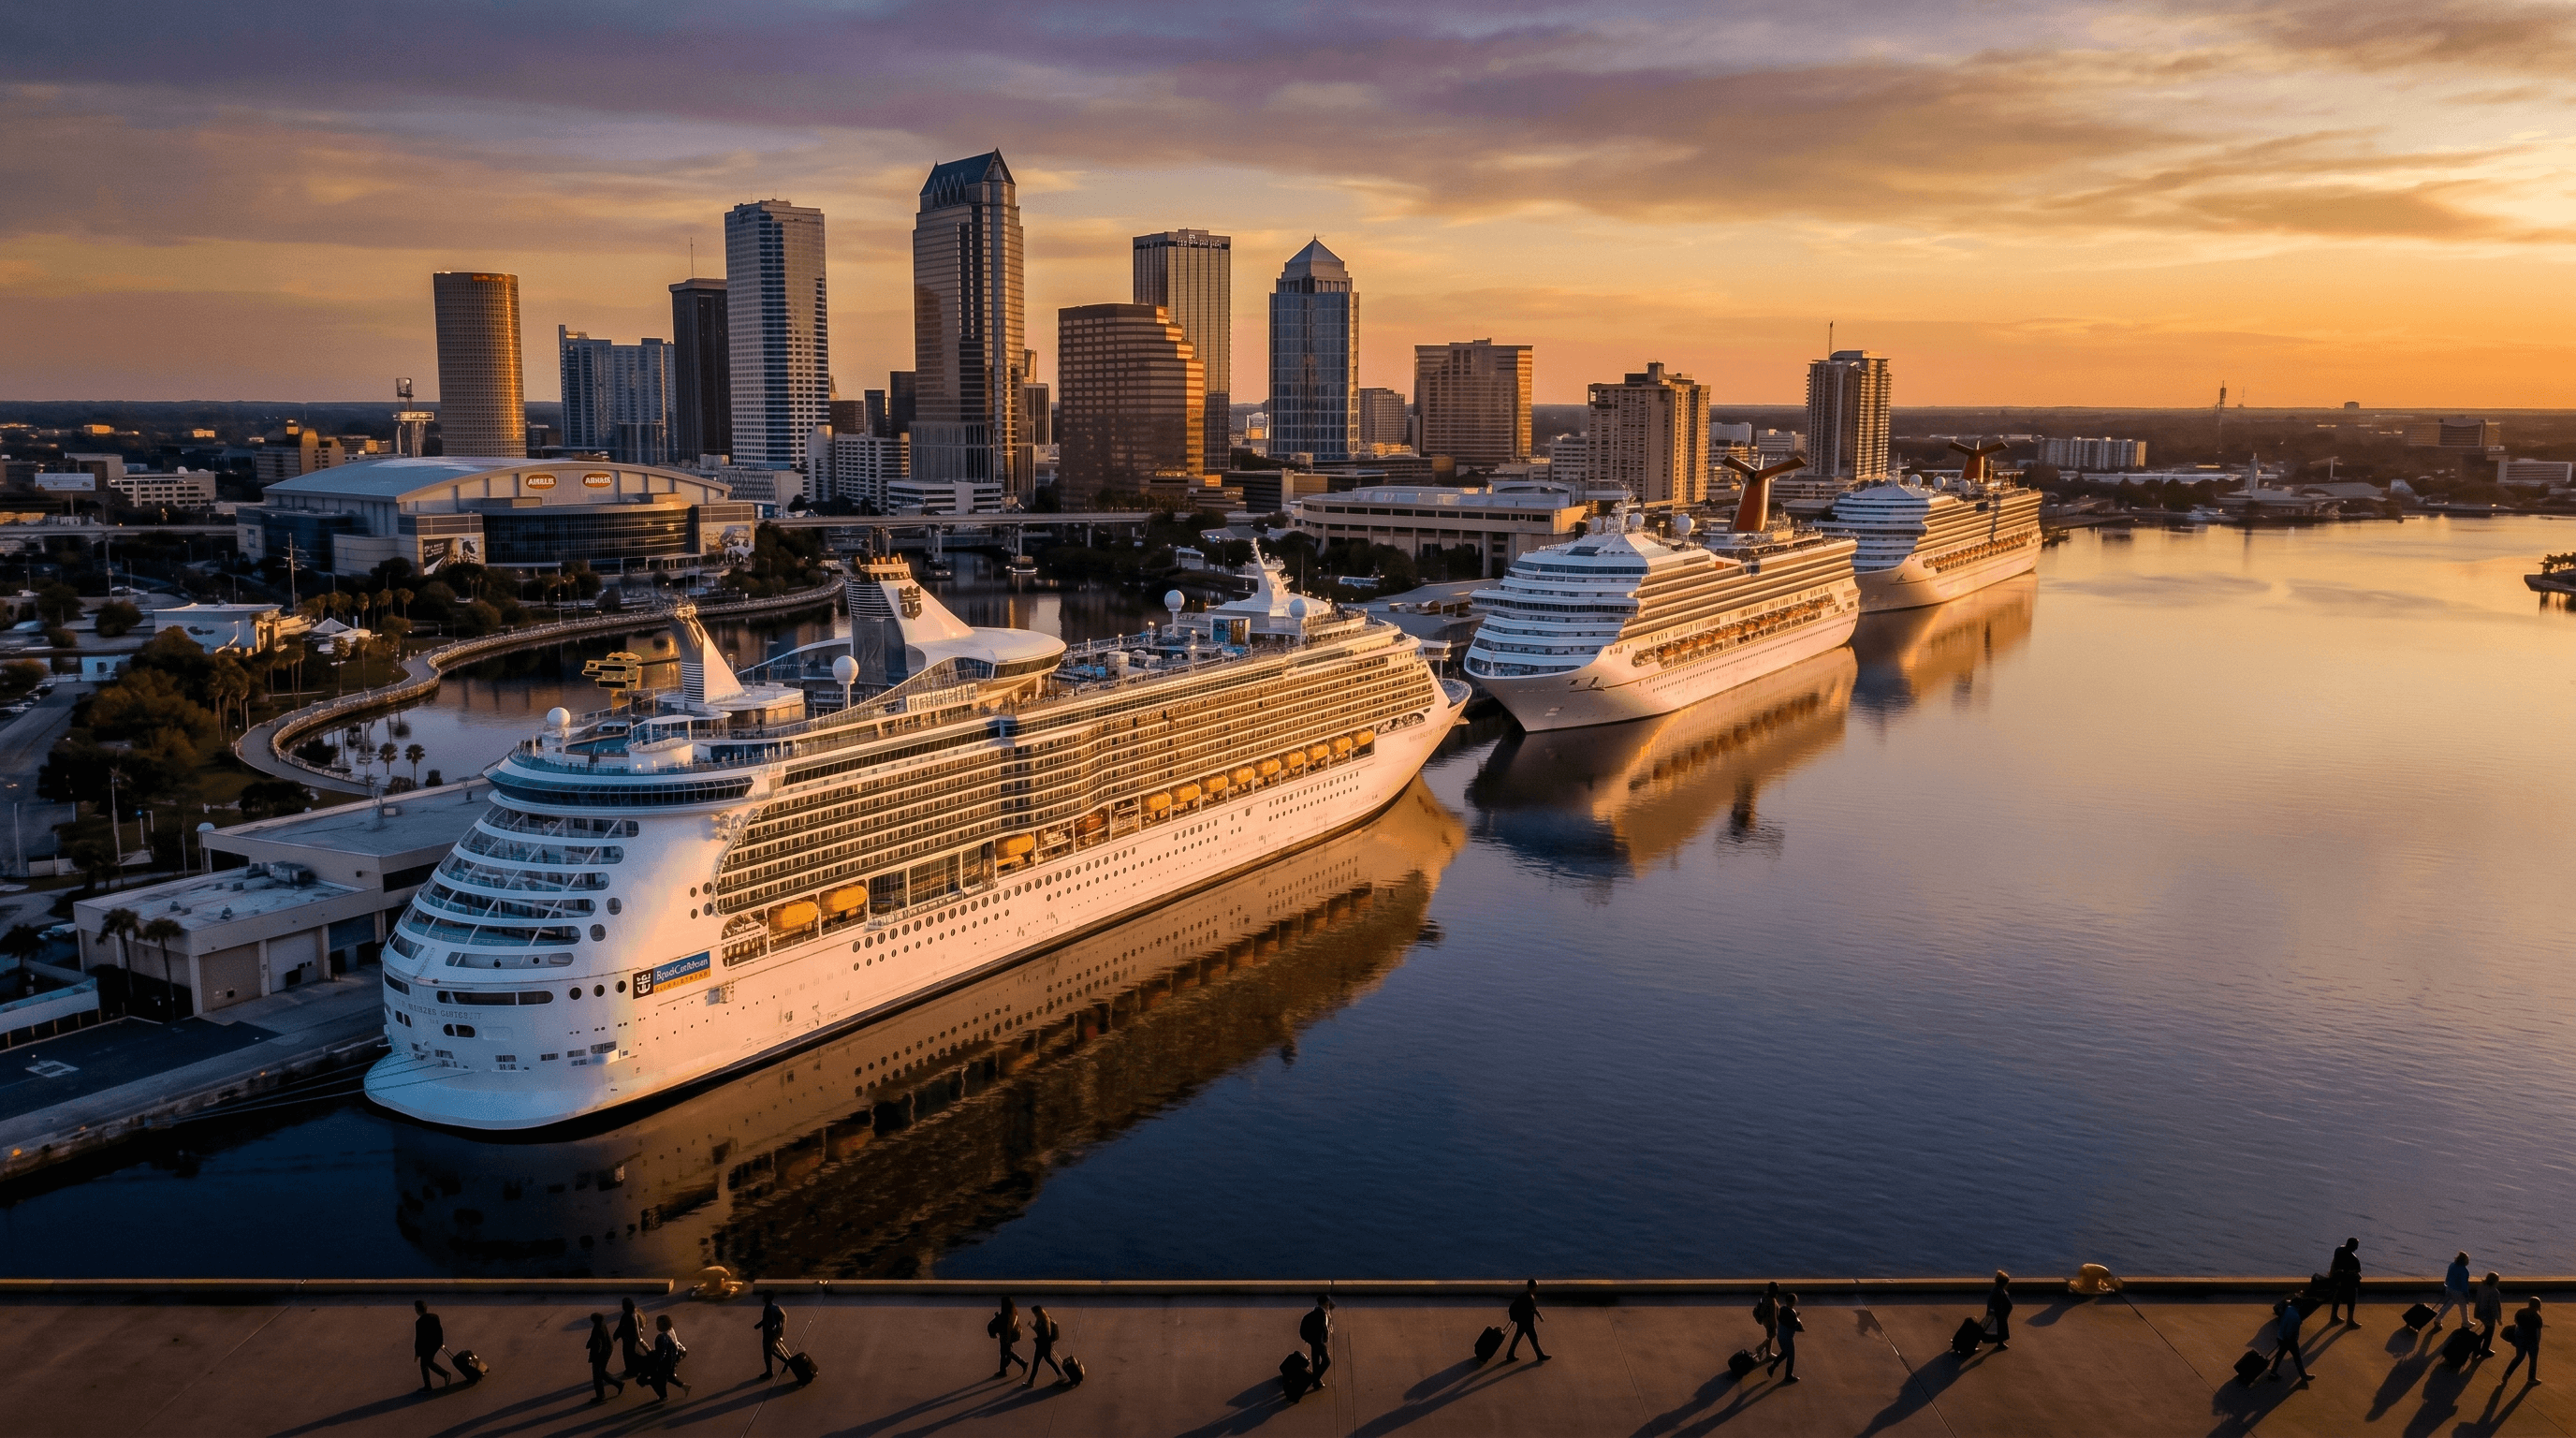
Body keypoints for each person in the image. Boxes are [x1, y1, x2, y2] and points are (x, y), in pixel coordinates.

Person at [647, 1314, 692, 1401]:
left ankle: (663, 1397)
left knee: (659, 1379)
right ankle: (685, 1387)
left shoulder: (663, 1337)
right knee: (669, 1377)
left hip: (667, 1361)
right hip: (673, 1359)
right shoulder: (671, 1331)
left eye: (658, 1323)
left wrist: (656, 1364)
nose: (656, 1325)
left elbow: (662, 1353)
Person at [2267, 1296, 2311, 1384]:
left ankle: (2273, 1373)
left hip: (2281, 1336)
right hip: (2289, 1341)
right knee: (2297, 1357)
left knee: (2279, 1356)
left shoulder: (2289, 1309)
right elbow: (2290, 1332)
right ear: (2299, 1305)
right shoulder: (2296, 1317)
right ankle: (2303, 1375)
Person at [1504, 1279, 1549, 1362]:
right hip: (1526, 1323)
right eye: (1535, 1287)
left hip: (1523, 1322)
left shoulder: (1525, 1295)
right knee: (1533, 1338)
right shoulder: (1528, 1297)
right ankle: (1540, 1355)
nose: (1536, 1289)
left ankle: (1510, 1355)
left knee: (1520, 1338)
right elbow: (1533, 1309)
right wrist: (1540, 1317)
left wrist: (1539, 1317)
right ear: (1531, 1288)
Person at [2500, 1299, 2543, 1385]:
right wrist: (2538, 1343)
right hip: (2532, 1341)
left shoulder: (2520, 1311)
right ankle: (2531, 1378)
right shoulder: (2538, 1317)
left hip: (2520, 1338)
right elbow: (2538, 1332)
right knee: (2533, 1360)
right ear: (2538, 1306)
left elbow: (2516, 1321)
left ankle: (2507, 1374)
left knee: (2519, 1358)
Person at [413, 1300, 452, 1392]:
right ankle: (429, 1385)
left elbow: (419, 1339)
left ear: (417, 1310)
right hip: (436, 1344)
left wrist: (417, 1353)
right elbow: (439, 1330)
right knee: (428, 1363)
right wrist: (440, 1342)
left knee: (425, 1364)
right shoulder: (435, 1316)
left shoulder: (419, 1322)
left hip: (427, 1347)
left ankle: (442, 1376)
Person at [586, 1313, 624, 1402]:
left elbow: (597, 1344)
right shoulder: (602, 1324)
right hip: (607, 1351)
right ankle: (619, 1383)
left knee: (597, 1376)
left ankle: (601, 1396)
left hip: (600, 1355)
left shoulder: (597, 1328)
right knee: (602, 1373)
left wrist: (594, 1357)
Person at [1025, 1304, 1066, 1387]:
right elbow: (1038, 1331)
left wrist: (1037, 1339)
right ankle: (1060, 1375)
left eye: (1034, 1313)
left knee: (1036, 1363)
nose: (1034, 1315)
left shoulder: (1044, 1320)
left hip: (1043, 1345)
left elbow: (1046, 1335)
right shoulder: (1041, 1319)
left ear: (1038, 1312)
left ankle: (1031, 1382)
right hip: (1044, 1344)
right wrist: (1032, 1326)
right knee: (1048, 1360)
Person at [988, 1297, 1029, 1379]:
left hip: (1007, 1335)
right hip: (1007, 1335)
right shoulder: (1011, 1312)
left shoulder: (1009, 1315)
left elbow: (1008, 1324)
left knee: (1005, 1352)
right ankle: (1004, 1370)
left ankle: (1020, 1364)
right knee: (1005, 1352)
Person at [1300, 1296, 1334, 1390]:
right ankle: (1313, 1380)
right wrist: (1326, 1337)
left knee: (1316, 1362)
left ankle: (1316, 1383)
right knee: (1327, 1361)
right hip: (1319, 1342)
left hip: (1313, 1341)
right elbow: (1324, 1326)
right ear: (1325, 1303)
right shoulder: (1322, 1313)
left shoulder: (1315, 1312)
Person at [1767, 1293, 1803, 1384]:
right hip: (1788, 1338)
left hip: (1780, 1336)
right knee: (1791, 1356)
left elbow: (1785, 1320)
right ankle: (1788, 1375)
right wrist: (1797, 1320)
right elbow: (1800, 1328)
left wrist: (1795, 1317)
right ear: (1794, 1302)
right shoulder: (1792, 1314)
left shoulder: (1782, 1309)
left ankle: (1772, 1367)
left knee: (1785, 1352)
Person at [2432, 1253, 2473, 1331]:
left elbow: (2447, 1276)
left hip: (2449, 1288)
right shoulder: (2464, 1271)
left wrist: (2446, 1285)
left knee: (2448, 1304)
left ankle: (2438, 1319)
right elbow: (2464, 1284)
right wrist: (2466, 1295)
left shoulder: (2452, 1265)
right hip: (2458, 1291)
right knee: (2463, 1306)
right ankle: (2465, 1323)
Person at [2326, 1239, 2362, 1327]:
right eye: (2356, 1245)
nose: (2357, 1247)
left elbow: (2334, 1263)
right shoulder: (2354, 1259)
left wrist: (2331, 1274)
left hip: (2337, 1278)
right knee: (2352, 1300)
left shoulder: (2339, 1250)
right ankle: (2350, 1320)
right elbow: (2356, 1272)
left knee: (2337, 1296)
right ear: (2354, 1246)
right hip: (2348, 1282)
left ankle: (2333, 1316)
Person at [754, 1295, 788, 1379]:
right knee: (773, 1351)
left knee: (767, 1354)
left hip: (769, 1334)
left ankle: (770, 1372)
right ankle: (787, 1361)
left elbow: (768, 1321)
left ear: (766, 1299)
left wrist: (759, 1326)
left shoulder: (768, 1309)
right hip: (773, 1334)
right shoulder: (775, 1307)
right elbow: (781, 1317)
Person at [1981, 1271, 2014, 1353]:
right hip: (1999, 1314)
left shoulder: (1997, 1289)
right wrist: (1999, 1312)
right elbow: (1997, 1303)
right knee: (1999, 1329)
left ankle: (2000, 1342)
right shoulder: (1998, 1291)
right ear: (2003, 1283)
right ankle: (2000, 1343)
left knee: (1999, 1328)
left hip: (2000, 1313)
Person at [2477, 1272, 2506, 1358]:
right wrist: (2498, 1319)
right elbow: (2494, 1307)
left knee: (2487, 1330)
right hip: (2489, 1315)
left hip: (2481, 1312)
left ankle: (2477, 1341)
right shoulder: (2494, 1292)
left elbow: (2478, 1299)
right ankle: (2484, 1350)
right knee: (2489, 1333)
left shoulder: (2481, 1286)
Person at [1752, 1283, 1780, 1363]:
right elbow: (1773, 1315)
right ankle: (1765, 1351)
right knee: (1771, 1337)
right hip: (1769, 1322)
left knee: (1770, 1336)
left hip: (1765, 1321)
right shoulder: (1771, 1301)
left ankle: (1764, 1350)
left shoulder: (1765, 1296)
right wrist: (1775, 1326)